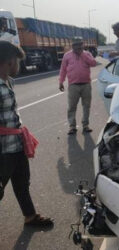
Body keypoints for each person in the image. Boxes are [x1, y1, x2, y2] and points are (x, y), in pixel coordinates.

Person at [0, 41, 53, 227]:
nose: (19, 66)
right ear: (8, 62)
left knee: (22, 183)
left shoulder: (8, 81)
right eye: (17, 62)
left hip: (17, 144)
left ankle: (30, 216)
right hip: (3, 150)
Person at [59, 37, 97, 135]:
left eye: (79, 45)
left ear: (82, 45)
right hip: (73, 85)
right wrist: (61, 81)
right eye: (75, 45)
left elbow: (93, 63)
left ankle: (85, 125)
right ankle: (72, 126)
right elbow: (63, 69)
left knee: (86, 106)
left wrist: (83, 55)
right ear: (72, 46)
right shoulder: (67, 56)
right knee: (71, 107)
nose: (77, 47)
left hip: (86, 85)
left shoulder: (87, 54)